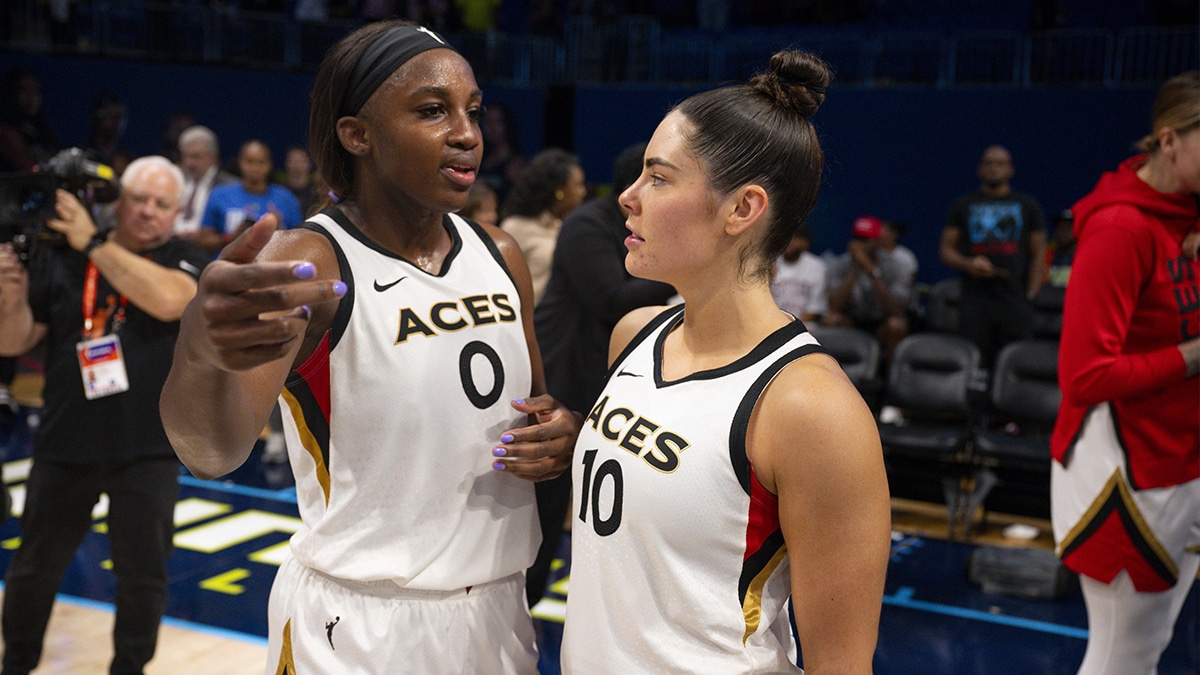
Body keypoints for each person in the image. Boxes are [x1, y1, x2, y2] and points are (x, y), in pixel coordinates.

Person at [157, 21, 579, 673]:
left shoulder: (501, 254)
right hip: (358, 622)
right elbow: (210, 451)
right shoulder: (310, 259)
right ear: (357, 134)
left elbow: (531, 407)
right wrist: (199, 350)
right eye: (433, 110)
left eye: (473, 110)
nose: (467, 132)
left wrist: (559, 435)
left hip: (497, 610)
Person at [560, 49, 891, 673]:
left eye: (658, 178)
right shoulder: (633, 335)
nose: (627, 197)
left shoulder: (811, 410)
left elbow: (841, 664)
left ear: (742, 209)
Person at [0, 156, 209, 675]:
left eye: (162, 204)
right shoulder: (62, 259)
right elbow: (15, 339)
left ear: (177, 211)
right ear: (118, 199)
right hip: (64, 440)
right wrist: (7, 298)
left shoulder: (184, 257)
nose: (148, 212)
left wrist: (93, 243)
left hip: (149, 448)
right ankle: (16, 664)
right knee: (33, 570)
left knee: (143, 576)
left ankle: (129, 670)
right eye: (139, 199)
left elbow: (169, 301)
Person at [1050, 70, 1200, 675]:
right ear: (1169, 141)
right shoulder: (1121, 228)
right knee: (1123, 655)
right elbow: (1085, 375)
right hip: (1123, 466)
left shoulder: (1183, 212)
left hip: (1180, 454)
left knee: (1149, 646)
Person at [526, 141, 675, 607]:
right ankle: (522, 605)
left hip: (612, 382)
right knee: (544, 510)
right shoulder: (587, 224)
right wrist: (686, 268)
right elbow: (611, 297)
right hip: (564, 375)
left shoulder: (646, 233)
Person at [939, 144, 1047, 369]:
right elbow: (946, 250)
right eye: (988, 163)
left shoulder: (1027, 205)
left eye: (1000, 163)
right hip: (975, 297)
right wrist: (968, 263)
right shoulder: (964, 205)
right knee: (974, 360)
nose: (994, 168)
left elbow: (1039, 252)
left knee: (1015, 359)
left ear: (1010, 170)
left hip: (1014, 296)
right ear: (979, 169)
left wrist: (1033, 292)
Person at [499, 147, 587, 304]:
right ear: (559, 191)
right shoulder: (515, 227)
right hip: (526, 321)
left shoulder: (574, 227)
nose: (583, 192)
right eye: (578, 185)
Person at [822, 215, 915, 363]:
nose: (860, 245)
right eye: (857, 238)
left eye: (866, 240)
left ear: (878, 242)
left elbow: (896, 310)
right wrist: (856, 269)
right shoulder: (840, 264)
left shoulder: (896, 265)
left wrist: (871, 271)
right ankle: (831, 372)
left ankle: (890, 379)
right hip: (853, 321)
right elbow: (834, 306)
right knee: (831, 319)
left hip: (881, 322)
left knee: (897, 325)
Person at [198, 139, 303, 255]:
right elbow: (203, 240)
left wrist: (280, 232)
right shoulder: (219, 195)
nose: (255, 168)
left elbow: (300, 242)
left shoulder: (286, 198)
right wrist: (232, 237)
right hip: (229, 265)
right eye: (249, 161)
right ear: (240, 163)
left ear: (270, 165)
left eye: (261, 162)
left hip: (271, 265)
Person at [174, 125, 237, 241]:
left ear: (213, 156)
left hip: (207, 251)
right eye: (185, 156)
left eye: (196, 157)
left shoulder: (230, 187)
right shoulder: (175, 179)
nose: (189, 163)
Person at [0, 67, 58, 172]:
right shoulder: (5, 130)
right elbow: (30, 169)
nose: (31, 97)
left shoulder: (40, 129)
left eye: (35, 91)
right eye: (23, 90)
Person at [770, 222, 827, 323]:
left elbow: (815, 309)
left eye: (795, 238)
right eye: (787, 237)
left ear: (806, 243)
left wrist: (792, 328)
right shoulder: (770, 263)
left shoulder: (816, 266)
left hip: (805, 326)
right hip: (772, 323)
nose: (789, 242)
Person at [478, 101, 526, 205]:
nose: (491, 127)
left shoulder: (516, 164)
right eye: (487, 122)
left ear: (507, 125)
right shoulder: (479, 158)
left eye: (497, 122)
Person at [280, 145, 321, 218]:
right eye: (292, 160)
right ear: (287, 164)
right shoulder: (280, 192)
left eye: (300, 160)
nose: (296, 165)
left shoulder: (318, 192)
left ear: (309, 164)